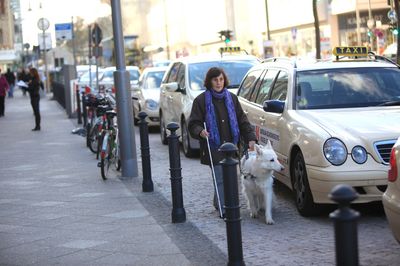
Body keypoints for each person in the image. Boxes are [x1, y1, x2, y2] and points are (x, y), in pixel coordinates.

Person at [188, 67, 257, 217]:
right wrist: (200, 131)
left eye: (221, 79)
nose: (219, 83)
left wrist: (251, 138)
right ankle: (225, 208)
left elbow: (242, 120)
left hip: (231, 145)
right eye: (215, 80)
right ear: (209, 82)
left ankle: (218, 201)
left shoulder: (232, 98)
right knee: (220, 178)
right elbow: (193, 123)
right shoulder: (200, 100)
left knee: (230, 177)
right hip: (213, 145)